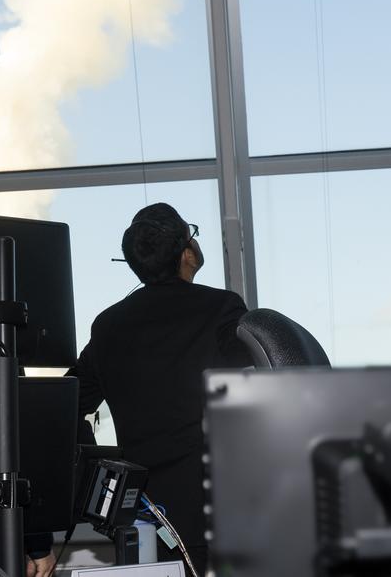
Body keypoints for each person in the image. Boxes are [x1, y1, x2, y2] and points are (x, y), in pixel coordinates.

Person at [70, 203, 252, 571]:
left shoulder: (109, 326)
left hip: (146, 515)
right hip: (223, 507)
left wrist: (94, 469)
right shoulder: (221, 308)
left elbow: (65, 402)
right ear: (187, 252)